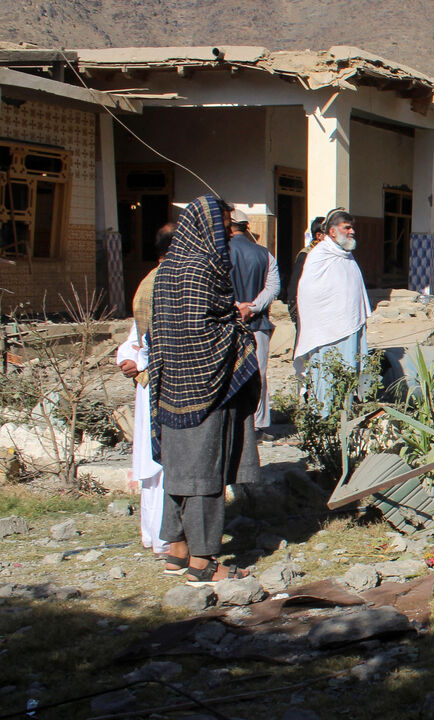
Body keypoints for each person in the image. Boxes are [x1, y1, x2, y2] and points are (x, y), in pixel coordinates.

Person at [149, 194, 259, 585]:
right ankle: (204, 561)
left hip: (170, 386)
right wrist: (238, 326)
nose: (228, 235)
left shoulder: (167, 269)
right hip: (206, 386)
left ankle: (176, 551)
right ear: (205, 228)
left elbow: (163, 328)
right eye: (223, 227)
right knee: (204, 476)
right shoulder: (203, 268)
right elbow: (203, 331)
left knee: (178, 471)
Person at [116, 224, 174, 571]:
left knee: (160, 467)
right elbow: (140, 338)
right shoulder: (164, 282)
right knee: (161, 465)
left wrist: (134, 358)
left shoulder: (151, 281)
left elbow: (136, 342)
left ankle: (159, 535)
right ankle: (162, 536)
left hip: (155, 381)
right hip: (163, 385)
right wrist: (133, 359)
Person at [293, 209, 370, 411]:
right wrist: (329, 318)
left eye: (352, 228)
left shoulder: (347, 257)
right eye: (347, 228)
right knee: (326, 375)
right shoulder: (319, 255)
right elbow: (309, 294)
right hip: (326, 333)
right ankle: (324, 417)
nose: (352, 231)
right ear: (333, 232)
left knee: (348, 372)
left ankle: (344, 415)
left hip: (349, 328)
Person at [227, 208, 280, 430]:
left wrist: (236, 307)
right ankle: (259, 424)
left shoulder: (218, 252)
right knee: (259, 374)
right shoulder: (264, 254)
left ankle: (234, 423)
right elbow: (273, 287)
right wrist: (253, 307)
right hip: (258, 324)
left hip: (227, 324)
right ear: (246, 227)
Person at [286, 216, 325, 325]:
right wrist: (295, 311)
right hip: (309, 311)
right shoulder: (306, 255)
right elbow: (295, 285)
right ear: (319, 235)